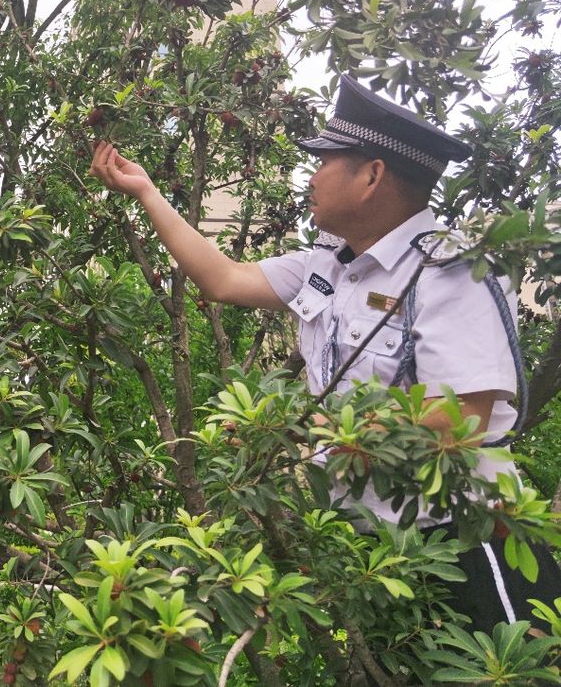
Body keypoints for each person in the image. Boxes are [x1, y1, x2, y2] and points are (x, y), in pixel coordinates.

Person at [89, 73, 560, 634]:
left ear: (372, 175)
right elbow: (224, 279)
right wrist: (147, 192)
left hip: (461, 539)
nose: (312, 176)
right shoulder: (329, 264)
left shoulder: (450, 270)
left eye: (325, 161)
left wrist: (314, 428)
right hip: (371, 552)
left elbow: (459, 421)